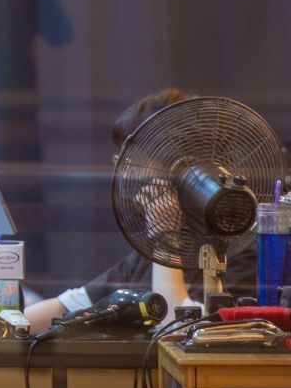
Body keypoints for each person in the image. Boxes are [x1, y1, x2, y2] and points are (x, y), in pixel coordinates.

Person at [23, 89, 257, 334]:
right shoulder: (146, 257)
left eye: (133, 160)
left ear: (175, 165)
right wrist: (5, 325)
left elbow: (176, 328)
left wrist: (166, 237)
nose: (126, 174)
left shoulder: (242, 252)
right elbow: (66, 308)